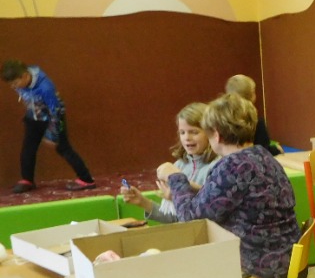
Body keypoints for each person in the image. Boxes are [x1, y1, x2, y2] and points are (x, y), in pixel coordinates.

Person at [157, 92, 302, 278]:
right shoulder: (263, 157)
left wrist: (175, 176)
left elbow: (191, 219)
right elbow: (225, 198)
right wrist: (189, 188)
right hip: (289, 270)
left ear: (216, 135)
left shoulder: (231, 166)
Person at [2, 59, 97, 193]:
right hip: (34, 117)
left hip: (54, 118)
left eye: (15, 83)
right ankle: (27, 180)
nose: (14, 87)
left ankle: (87, 179)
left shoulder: (45, 87)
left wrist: (52, 133)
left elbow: (56, 111)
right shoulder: (22, 77)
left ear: (24, 76)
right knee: (28, 148)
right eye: (11, 84)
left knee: (63, 148)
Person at [120, 102, 218, 223]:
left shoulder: (218, 166)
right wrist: (142, 202)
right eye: (182, 132)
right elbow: (174, 218)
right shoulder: (178, 166)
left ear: (211, 133)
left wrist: (183, 189)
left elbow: (213, 208)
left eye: (194, 132)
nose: (187, 137)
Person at [225, 74, 282, 155]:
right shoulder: (256, 122)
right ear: (252, 96)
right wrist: (276, 149)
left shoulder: (225, 122)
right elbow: (263, 150)